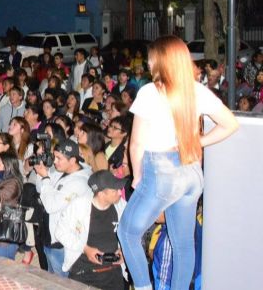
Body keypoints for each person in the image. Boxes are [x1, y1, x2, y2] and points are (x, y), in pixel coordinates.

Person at [117, 36, 238, 290]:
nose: (149, 62)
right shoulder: (197, 91)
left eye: (152, 57)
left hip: (161, 172)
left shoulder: (150, 91)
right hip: (191, 173)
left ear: (161, 60)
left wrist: (138, 176)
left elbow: (136, 143)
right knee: (183, 244)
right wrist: (196, 142)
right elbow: (230, 124)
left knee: (127, 232)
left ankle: (142, 287)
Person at [56, 170, 127, 289]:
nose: (120, 192)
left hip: (113, 275)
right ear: (100, 194)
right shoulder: (79, 206)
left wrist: (124, 250)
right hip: (84, 273)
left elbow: (133, 234)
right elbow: (60, 232)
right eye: (115, 190)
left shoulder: (122, 206)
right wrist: (85, 248)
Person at [34, 139, 93, 277]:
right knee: (51, 280)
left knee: (61, 282)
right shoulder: (63, 171)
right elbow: (41, 189)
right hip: (49, 235)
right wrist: (41, 174)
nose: (55, 162)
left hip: (61, 243)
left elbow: (51, 206)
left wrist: (45, 178)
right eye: (54, 157)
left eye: (59, 158)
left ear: (72, 160)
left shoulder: (79, 182)